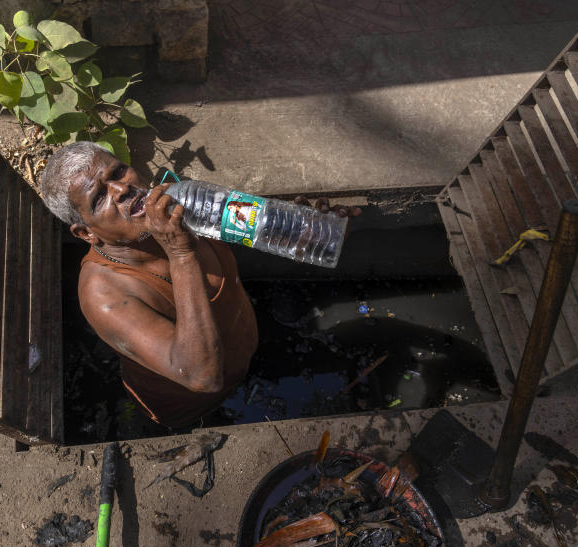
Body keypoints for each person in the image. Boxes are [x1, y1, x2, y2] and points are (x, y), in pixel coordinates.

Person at [41, 141, 359, 431]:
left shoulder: (182, 201)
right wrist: (180, 252)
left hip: (243, 357)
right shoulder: (103, 295)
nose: (122, 189)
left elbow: (261, 231)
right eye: (99, 198)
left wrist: (300, 233)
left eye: (119, 171)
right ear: (86, 233)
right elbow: (201, 376)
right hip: (192, 409)